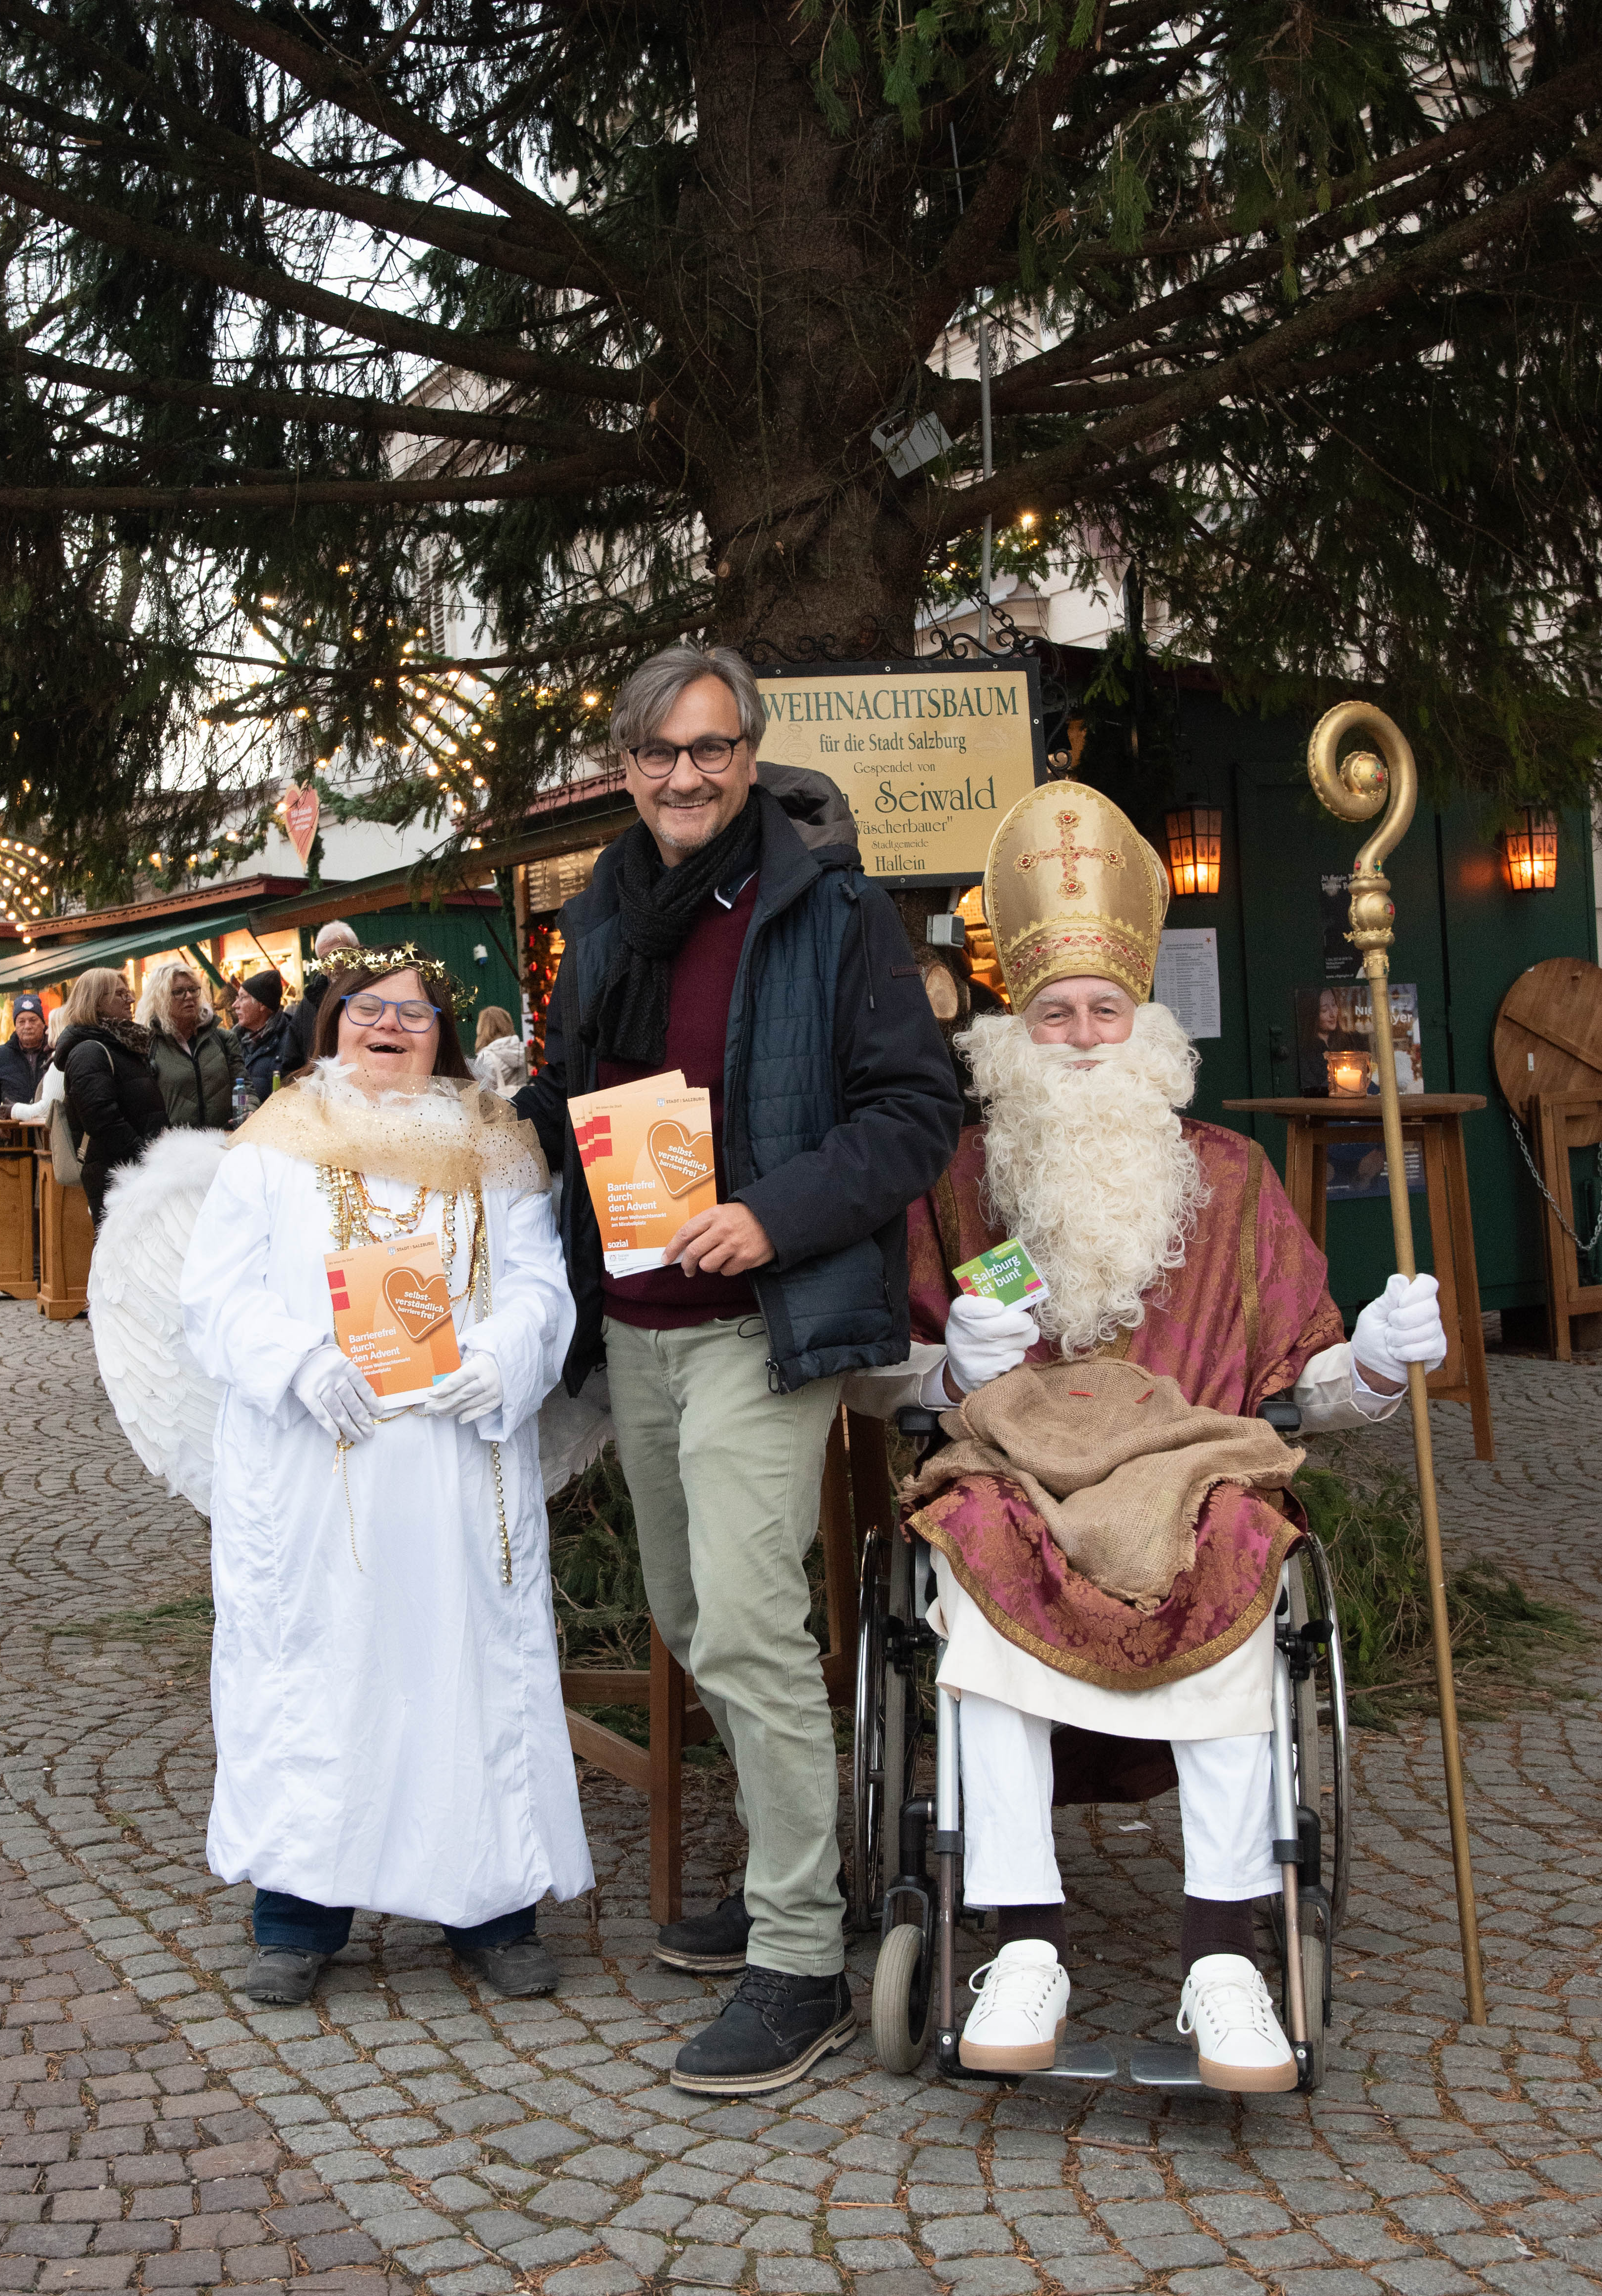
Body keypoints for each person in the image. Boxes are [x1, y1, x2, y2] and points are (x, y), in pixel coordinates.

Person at [874, 781, 1445, 2091]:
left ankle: (1225, 1961)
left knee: (1245, 1535)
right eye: (1053, 1014)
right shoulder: (956, 1183)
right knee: (969, 1540)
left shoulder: (1230, 1178)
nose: (1080, 1037)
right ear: (1015, 1032)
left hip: (1197, 1478)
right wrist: (944, 1367)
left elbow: (1307, 1386)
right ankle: (1023, 1946)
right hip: (1013, 1479)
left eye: (1103, 1011)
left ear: (1145, 1025)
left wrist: (1374, 1359)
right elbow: (878, 1383)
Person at [515, 642, 963, 2094]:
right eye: (660, 752)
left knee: (754, 1616)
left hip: (768, 1318)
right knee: (693, 1612)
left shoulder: (830, 907)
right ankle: (796, 1867)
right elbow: (576, 1089)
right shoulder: (604, 908)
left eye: (712, 748)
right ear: (627, 766)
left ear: (750, 754)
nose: (686, 774)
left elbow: (915, 1111)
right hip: (640, 1319)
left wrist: (775, 1212)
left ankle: (800, 1959)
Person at [178, 947, 592, 2005]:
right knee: (317, 1674)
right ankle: (298, 1915)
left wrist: (504, 1356)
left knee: (467, 1669)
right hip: (318, 1468)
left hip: (456, 1466)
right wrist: (297, 1363)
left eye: (413, 1014)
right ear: (331, 1026)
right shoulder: (274, 1143)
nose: (389, 1028)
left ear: (441, 1036)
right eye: (366, 1010)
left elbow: (540, 1284)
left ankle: (490, 1906)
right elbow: (213, 1295)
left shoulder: (494, 1144)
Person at [53, 966, 169, 1224]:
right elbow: (102, 1120)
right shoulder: (89, 1052)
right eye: (120, 994)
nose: (131, 999)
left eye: (129, 993)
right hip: (117, 1175)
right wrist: (147, 1156)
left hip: (138, 1171)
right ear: (96, 1002)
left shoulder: (123, 1046)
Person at [141, 963, 244, 1128]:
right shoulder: (148, 1046)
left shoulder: (224, 1039)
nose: (189, 996)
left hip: (224, 1139)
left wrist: (248, 1110)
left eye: (193, 990)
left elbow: (243, 1086)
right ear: (160, 998)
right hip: (175, 1143)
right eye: (178, 992)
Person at [291, 921, 361, 1059]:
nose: (333, 966)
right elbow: (292, 1060)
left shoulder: (379, 989)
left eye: (339, 956)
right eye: (325, 960)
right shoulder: (310, 1003)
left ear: (357, 951)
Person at [234, 968, 305, 1103]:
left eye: (242, 998)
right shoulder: (233, 1041)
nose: (235, 1005)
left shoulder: (291, 1040)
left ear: (262, 1005)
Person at [0, 992, 51, 1111]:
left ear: (44, 1024)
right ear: (15, 1026)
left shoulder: (56, 1052)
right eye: (22, 1022)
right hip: (14, 1122)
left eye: (33, 1020)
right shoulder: (1, 1055)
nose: (27, 1026)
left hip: (49, 1121)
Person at [9, 1000, 71, 1123]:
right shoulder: (69, 1056)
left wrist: (12, 1110)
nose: (47, 1032)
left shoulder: (60, 1063)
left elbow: (48, 1110)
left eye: (51, 1027)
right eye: (21, 1021)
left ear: (60, 1030)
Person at [472, 1004, 526, 1100]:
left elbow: (479, 1092)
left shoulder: (486, 1057)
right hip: (526, 1102)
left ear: (482, 1028)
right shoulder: (523, 1050)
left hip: (503, 1106)